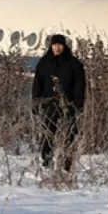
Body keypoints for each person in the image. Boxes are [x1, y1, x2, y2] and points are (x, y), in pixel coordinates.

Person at [31, 34, 86, 172]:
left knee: (71, 132)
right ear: (51, 46)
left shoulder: (73, 63)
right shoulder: (44, 63)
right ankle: (46, 160)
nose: (57, 47)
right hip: (50, 103)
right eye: (55, 44)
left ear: (65, 46)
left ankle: (66, 162)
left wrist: (78, 105)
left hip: (69, 103)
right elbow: (37, 84)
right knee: (48, 132)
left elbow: (80, 85)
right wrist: (36, 103)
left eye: (60, 44)